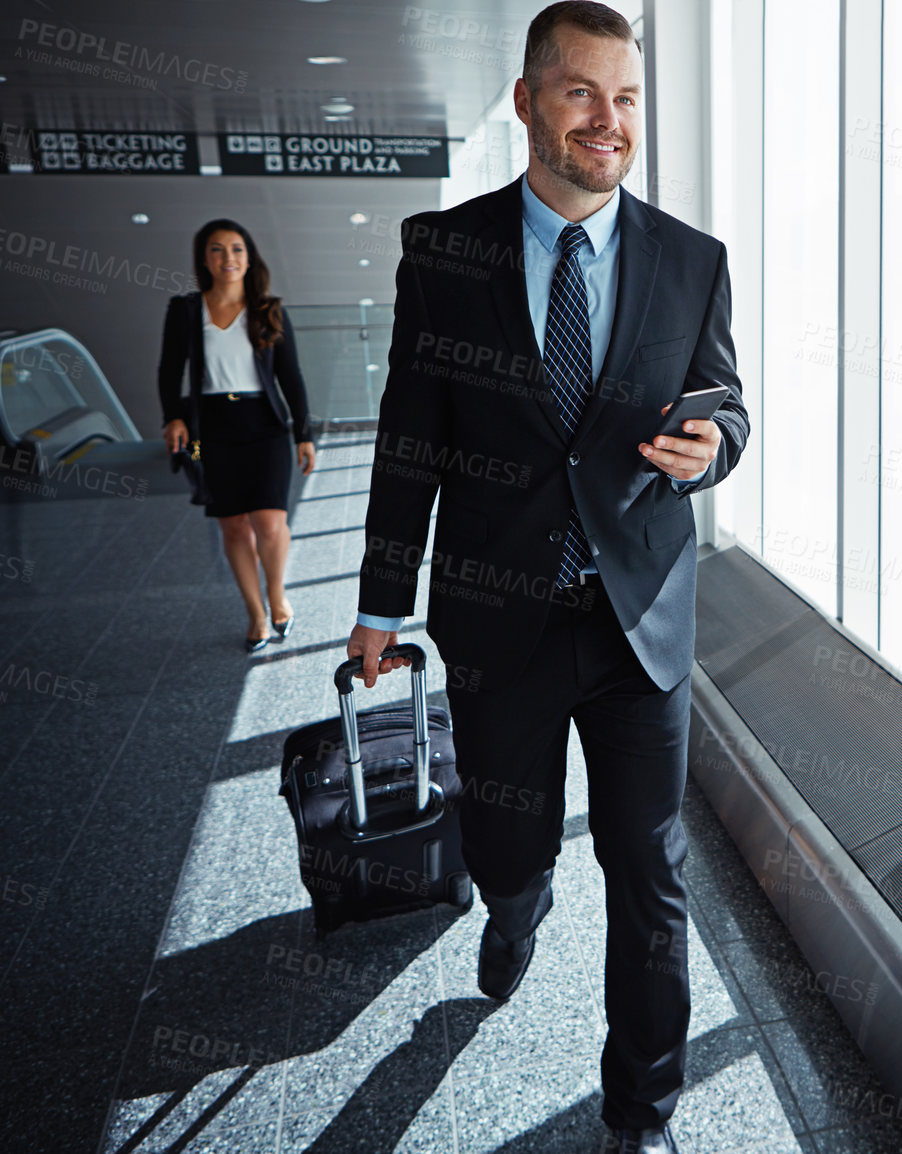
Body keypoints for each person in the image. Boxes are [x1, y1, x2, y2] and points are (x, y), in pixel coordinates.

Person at [347, 4, 749, 1152]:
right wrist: (381, 601)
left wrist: (715, 448)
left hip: (637, 626)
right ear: (527, 101)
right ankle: (515, 910)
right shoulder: (445, 253)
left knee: (650, 870)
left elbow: (728, 404)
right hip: (496, 617)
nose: (608, 120)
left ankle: (641, 1110)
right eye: (580, 92)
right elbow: (409, 436)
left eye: (625, 98)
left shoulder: (691, 259)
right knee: (507, 849)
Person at [158, 219, 315, 651]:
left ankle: (277, 595)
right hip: (212, 427)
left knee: (270, 521)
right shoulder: (186, 311)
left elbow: (292, 377)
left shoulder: (269, 310)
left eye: (237, 249)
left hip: (264, 424)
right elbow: (169, 371)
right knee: (233, 528)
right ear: (204, 259)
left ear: (249, 257)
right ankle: (255, 614)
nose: (228, 258)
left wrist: (304, 433)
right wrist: (172, 417)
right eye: (217, 249)